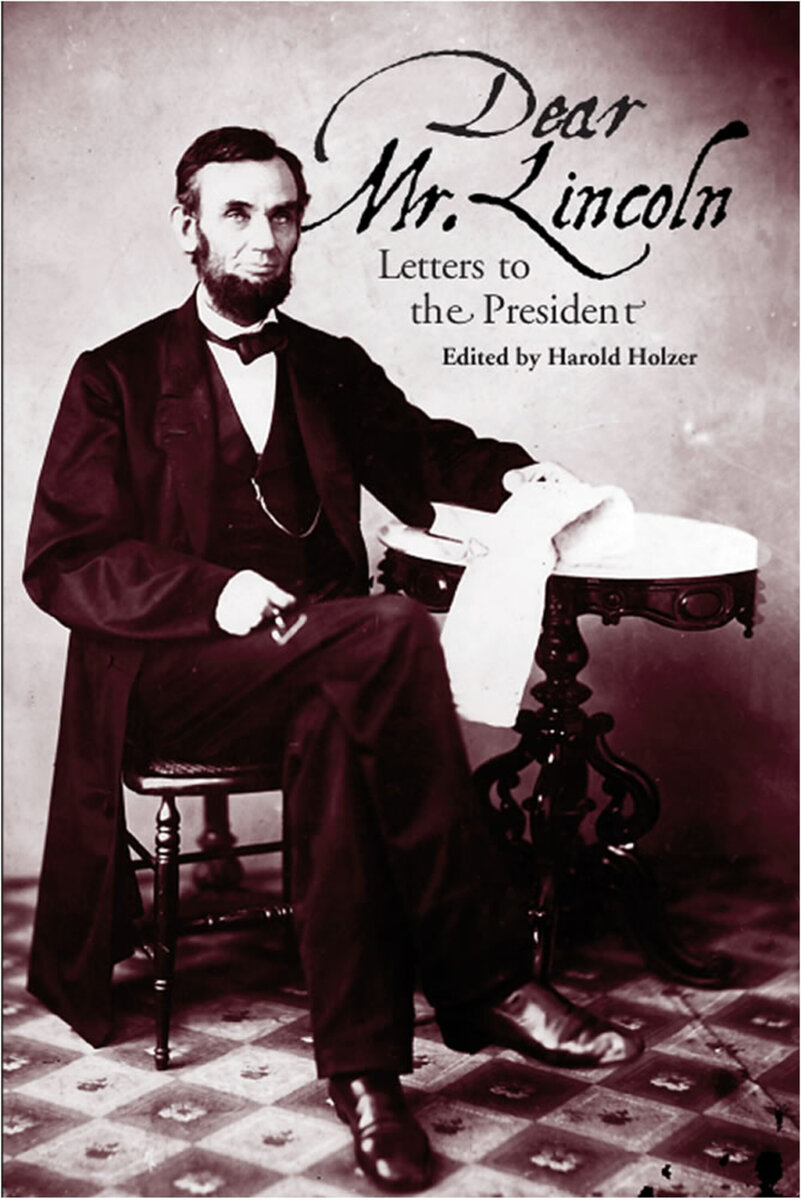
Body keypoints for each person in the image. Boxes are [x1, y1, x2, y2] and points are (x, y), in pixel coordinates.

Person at [24, 126, 642, 1194]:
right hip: (176, 680)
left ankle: (366, 1080)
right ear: (186, 228)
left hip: (319, 664)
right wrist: (210, 593)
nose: (264, 239)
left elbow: (424, 452)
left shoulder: (327, 364)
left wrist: (520, 479)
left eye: (283, 215)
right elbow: (65, 560)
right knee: (391, 629)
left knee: (343, 720)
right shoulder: (114, 376)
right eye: (236, 214)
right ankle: (486, 979)